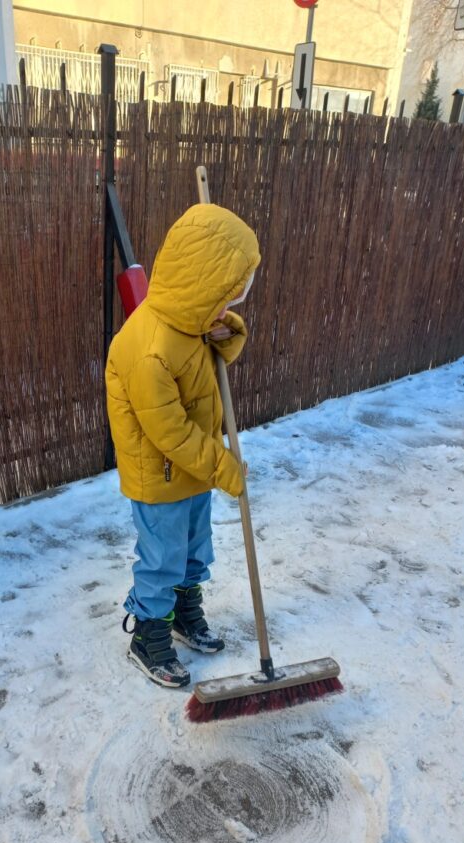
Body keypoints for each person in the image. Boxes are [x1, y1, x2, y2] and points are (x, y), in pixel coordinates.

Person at [105, 202, 261, 687]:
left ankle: (185, 613)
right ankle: (149, 635)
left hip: (191, 472)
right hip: (161, 477)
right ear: (200, 285)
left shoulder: (189, 321)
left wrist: (225, 332)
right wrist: (221, 464)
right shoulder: (146, 348)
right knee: (162, 559)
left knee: (195, 550)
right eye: (224, 302)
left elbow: (211, 360)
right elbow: (168, 431)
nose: (226, 310)